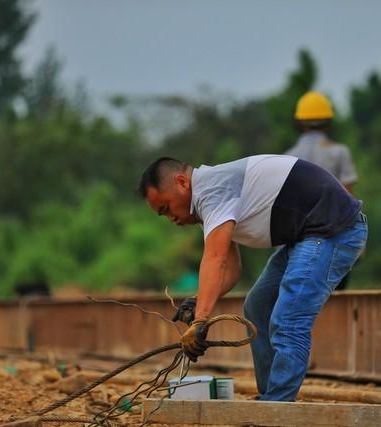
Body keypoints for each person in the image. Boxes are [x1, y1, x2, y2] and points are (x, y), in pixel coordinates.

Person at [138, 155, 367, 401]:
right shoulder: (212, 195)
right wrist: (197, 302)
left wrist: (200, 320)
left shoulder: (212, 190)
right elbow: (231, 270)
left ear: (182, 182)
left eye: (166, 208)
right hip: (306, 237)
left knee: (288, 319)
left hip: (335, 231)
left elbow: (216, 260)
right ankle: (271, 395)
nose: (171, 218)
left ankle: (277, 404)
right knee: (258, 305)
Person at [286, 91, 359, 289]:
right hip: (334, 236)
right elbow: (347, 196)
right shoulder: (339, 152)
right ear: (328, 121)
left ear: (300, 122)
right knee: (334, 293)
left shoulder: (289, 156)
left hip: (300, 241)